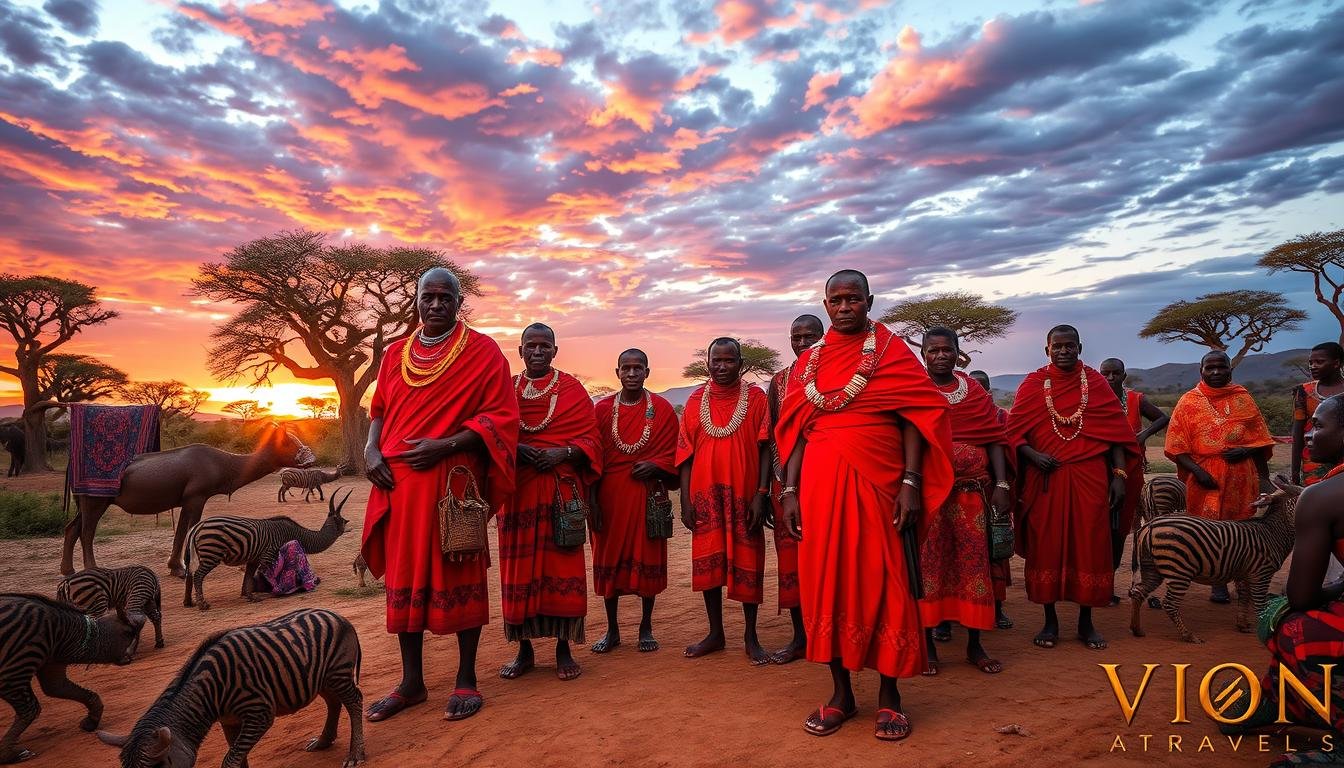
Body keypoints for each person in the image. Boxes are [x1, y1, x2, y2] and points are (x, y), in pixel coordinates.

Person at [776, 270, 954, 741]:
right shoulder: (808, 362)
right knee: (826, 581)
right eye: (836, 299)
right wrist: (789, 492)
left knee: (887, 580)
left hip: (882, 484)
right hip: (818, 487)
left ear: (870, 301)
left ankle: (890, 697)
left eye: (854, 298)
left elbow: (917, 417)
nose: (845, 306)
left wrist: (912, 481)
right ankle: (841, 695)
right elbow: (794, 433)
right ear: (826, 303)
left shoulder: (893, 350)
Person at [360, 267, 519, 723]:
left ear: (458, 301)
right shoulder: (396, 353)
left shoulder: (484, 351)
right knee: (404, 579)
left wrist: (446, 444)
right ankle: (411, 683)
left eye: (444, 297)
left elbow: (501, 418)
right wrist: (371, 450)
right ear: (415, 299)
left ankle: (466, 677)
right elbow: (380, 410)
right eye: (426, 297)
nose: (434, 305)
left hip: (454, 484)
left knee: (459, 571)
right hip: (401, 486)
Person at [1006, 325, 1140, 652]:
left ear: (1080, 347)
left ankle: (1086, 622)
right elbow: (1013, 433)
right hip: (1045, 480)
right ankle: (1049, 620)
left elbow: (1117, 436)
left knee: (1091, 544)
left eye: (1070, 346)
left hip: (1090, 477)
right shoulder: (1034, 384)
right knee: (1046, 544)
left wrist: (1119, 476)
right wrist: (1033, 455)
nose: (1064, 351)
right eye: (1057, 346)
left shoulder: (1095, 383)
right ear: (1046, 349)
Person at [1232, 393, 1344, 767]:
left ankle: (1295, 707)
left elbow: (1300, 595)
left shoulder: (1324, 496)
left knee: (1289, 622)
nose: (1309, 435)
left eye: (1320, 426)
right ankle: (1281, 699)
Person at [499, 323, 602, 681]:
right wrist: (519, 449)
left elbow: (592, 440)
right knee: (518, 572)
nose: (538, 351)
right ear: (521, 350)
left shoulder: (572, 389)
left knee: (562, 568)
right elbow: (492, 432)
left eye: (545, 346)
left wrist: (564, 452)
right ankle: (524, 651)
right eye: (532, 345)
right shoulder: (505, 388)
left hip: (561, 493)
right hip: (518, 494)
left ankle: (563, 648)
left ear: (555, 351)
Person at [918, 328, 1009, 676]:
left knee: (975, 569)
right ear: (923, 355)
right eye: (933, 351)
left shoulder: (973, 391)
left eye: (947, 350)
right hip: (929, 497)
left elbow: (995, 438)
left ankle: (974, 644)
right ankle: (927, 644)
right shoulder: (912, 387)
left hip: (972, 495)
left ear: (959, 353)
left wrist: (1001, 483)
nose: (941, 356)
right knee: (930, 567)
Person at [677, 337, 772, 663]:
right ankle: (715, 633)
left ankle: (750, 635)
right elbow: (685, 454)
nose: (721, 366)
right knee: (709, 565)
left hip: (745, 496)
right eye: (716, 360)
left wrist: (762, 494)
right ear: (707, 363)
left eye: (729, 360)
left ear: (741, 363)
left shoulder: (757, 398)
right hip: (706, 496)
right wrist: (686, 502)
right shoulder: (693, 401)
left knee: (749, 563)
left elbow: (764, 449)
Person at [1164, 350, 1274, 603]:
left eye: (1221, 367)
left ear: (1230, 369)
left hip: (1241, 476)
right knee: (1209, 531)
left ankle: (1243, 582)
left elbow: (1261, 438)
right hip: (1203, 476)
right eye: (1209, 368)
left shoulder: (1243, 398)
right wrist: (1198, 471)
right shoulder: (1188, 401)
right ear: (1200, 370)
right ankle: (1217, 583)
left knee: (1242, 530)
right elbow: (1176, 444)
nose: (1215, 372)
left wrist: (1246, 450)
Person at [590, 349, 680, 654]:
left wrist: (657, 465)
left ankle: (646, 626)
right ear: (617, 372)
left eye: (637, 368)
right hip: (610, 498)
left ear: (647, 372)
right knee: (608, 559)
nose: (631, 373)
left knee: (648, 557)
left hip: (648, 497)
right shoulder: (601, 410)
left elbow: (675, 455)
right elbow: (591, 460)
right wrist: (593, 503)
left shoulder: (663, 409)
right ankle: (612, 629)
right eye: (626, 368)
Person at [763, 314, 824, 664]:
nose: (802, 343)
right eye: (796, 337)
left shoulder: (840, 374)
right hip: (788, 487)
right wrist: (782, 484)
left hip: (830, 481)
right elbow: (773, 434)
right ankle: (801, 636)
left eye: (810, 336)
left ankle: (830, 634)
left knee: (832, 558)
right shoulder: (780, 381)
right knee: (792, 561)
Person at [1099, 357, 1169, 604]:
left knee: (1119, 530)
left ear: (1123, 376)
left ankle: (1108, 583)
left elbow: (1162, 418)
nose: (1110, 378)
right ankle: (1094, 584)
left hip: (1130, 471)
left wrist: (1143, 434)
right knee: (1098, 529)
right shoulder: (1091, 400)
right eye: (1105, 373)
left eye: (1115, 374)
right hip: (1096, 470)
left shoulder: (1135, 399)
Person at [971, 368, 1015, 630]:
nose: (975, 390)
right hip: (960, 490)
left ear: (987, 390)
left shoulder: (1000, 416)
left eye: (981, 387)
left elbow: (1006, 452)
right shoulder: (955, 409)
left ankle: (997, 607)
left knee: (994, 549)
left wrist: (1002, 485)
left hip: (990, 491)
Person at [1292, 342, 1344, 486]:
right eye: (1311, 362)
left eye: (1319, 362)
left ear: (1336, 363)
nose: (1312, 366)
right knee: (1315, 499)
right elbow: (1297, 433)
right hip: (1314, 460)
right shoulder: (1303, 392)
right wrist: (1294, 472)